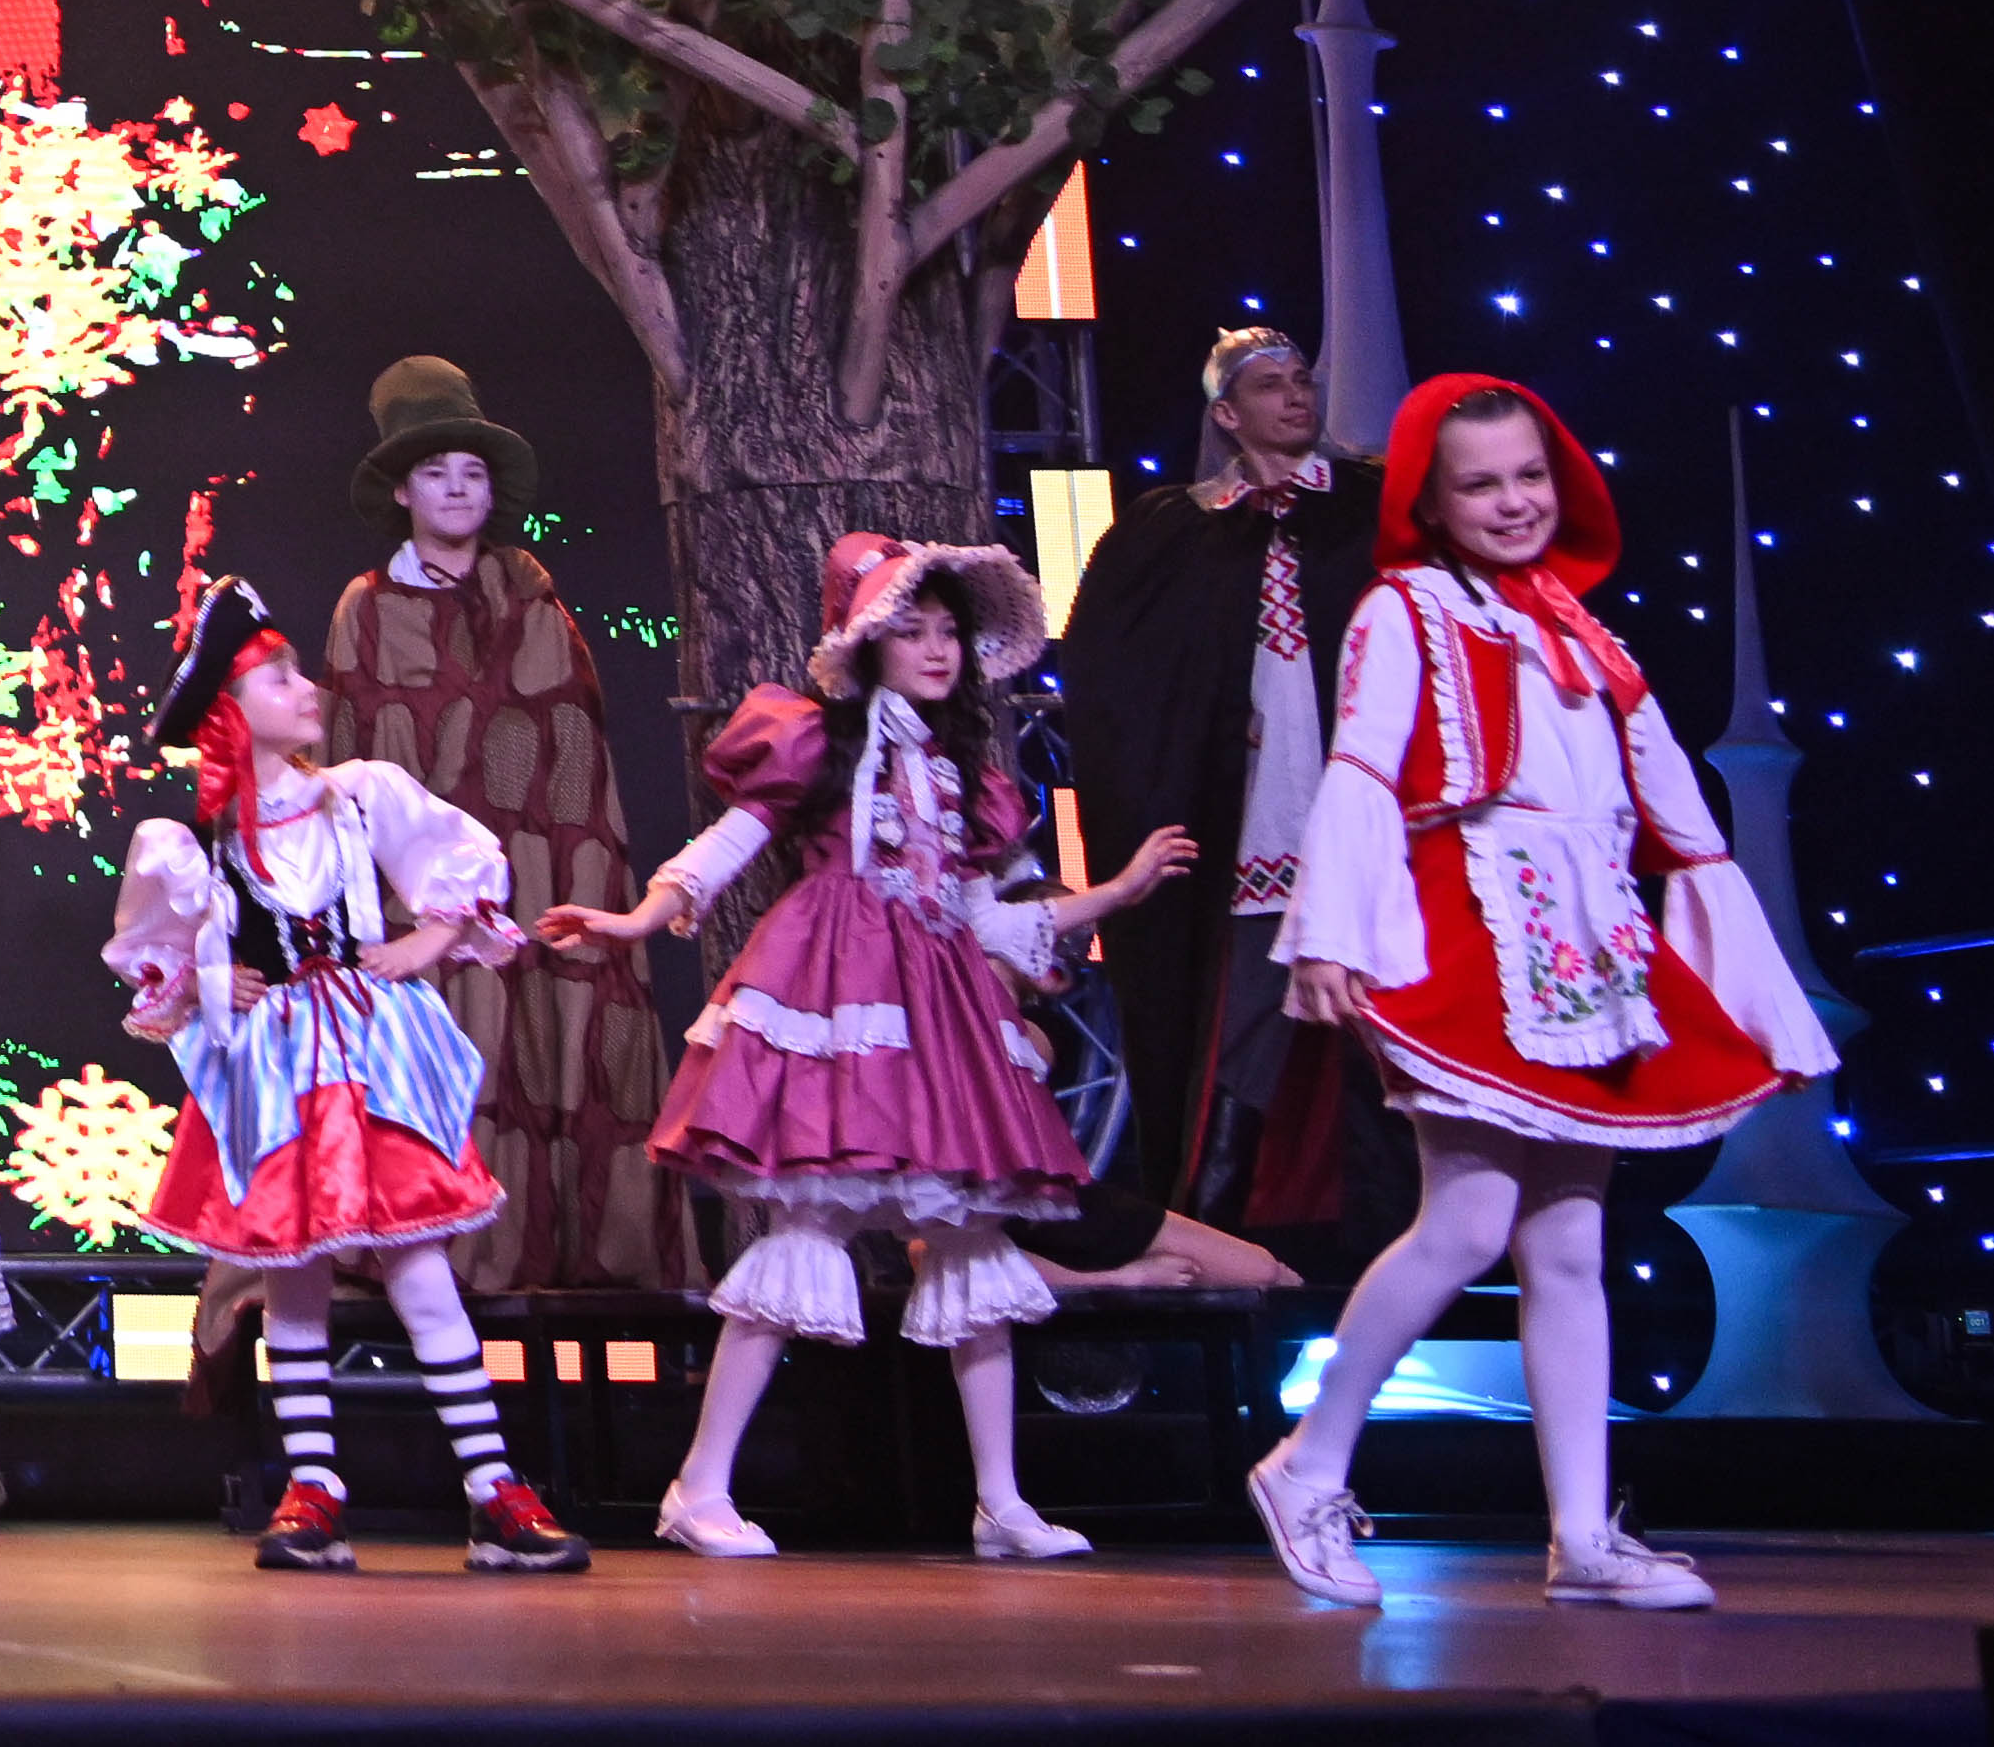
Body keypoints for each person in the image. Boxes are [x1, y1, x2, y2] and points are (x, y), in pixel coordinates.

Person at [1244, 373, 1828, 1616]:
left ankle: (1580, 1534)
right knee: (1464, 1224)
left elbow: (1664, 795)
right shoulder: (1404, 608)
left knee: (1567, 1241)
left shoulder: (1571, 622)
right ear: (1428, 500)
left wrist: (1729, 961)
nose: (1510, 501)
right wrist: (1331, 931)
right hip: (1473, 926)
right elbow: (1361, 765)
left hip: (1585, 938)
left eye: (1526, 476)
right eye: (1478, 484)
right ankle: (1306, 1462)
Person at [541, 537, 1196, 1559]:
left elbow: (986, 918)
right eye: (911, 630)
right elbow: (729, 843)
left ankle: (1000, 1503)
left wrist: (1112, 893)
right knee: (806, 1223)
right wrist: (636, 918)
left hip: (938, 1008)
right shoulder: (811, 741)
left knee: (972, 1236)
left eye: (948, 632)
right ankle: (698, 1484)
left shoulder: (966, 776)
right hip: (837, 987)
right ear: (865, 643)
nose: (936, 649)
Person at [105, 577, 591, 1576]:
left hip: (370, 1055)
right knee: (293, 1279)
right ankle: (313, 1488)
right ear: (232, 709)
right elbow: (161, 964)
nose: (306, 688)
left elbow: (457, 867)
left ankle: (492, 1489)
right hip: (276, 1067)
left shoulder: (358, 793)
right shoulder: (197, 845)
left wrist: (428, 939)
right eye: (278, 677)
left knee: (419, 1267)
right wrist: (213, 981)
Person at [316, 357, 692, 1301]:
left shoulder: (530, 595)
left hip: (533, 863)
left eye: (471, 472)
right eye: (434, 471)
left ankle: (570, 1241)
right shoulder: (365, 608)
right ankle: (437, 1251)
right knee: (449, 1054)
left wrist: (559, 883)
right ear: (401, 490)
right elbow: (348, 754)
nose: (455, 488)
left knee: (551, 1036)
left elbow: (572, 749)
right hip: (418, 887)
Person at [1052, 324, 1386, 1258]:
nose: (1295, 395)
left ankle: (1381, 1239)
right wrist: (1197, 731)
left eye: (1301, 379)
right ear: (1226, 414)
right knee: (1236, 1037)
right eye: (1270, 384)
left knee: (1380, 1038)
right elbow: (1112, 672)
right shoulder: (1174, 529)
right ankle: (1214, 1244)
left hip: (1358, 820)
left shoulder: (1367, 510)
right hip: (1246, 822)